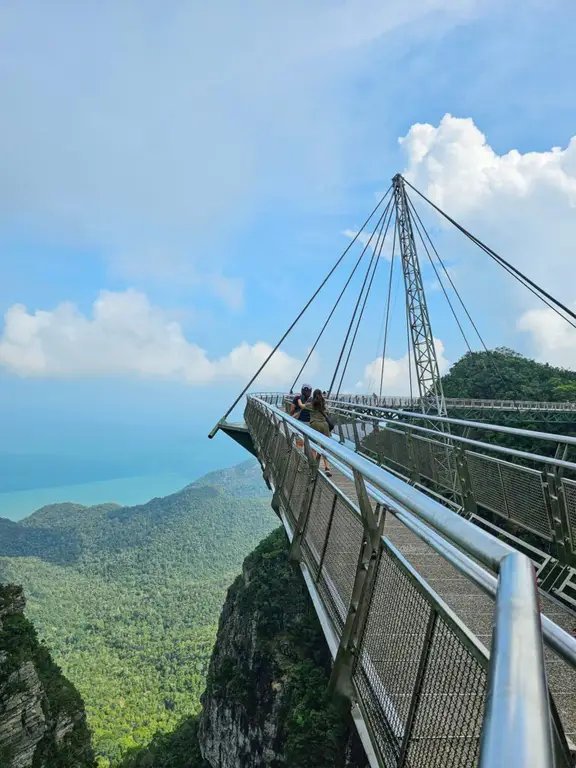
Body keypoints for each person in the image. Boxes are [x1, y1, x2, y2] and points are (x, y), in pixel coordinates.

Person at [304, 389, 333, 476]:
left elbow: (302, 406)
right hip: (324, 426)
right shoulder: (324, 405)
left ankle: (314, 465)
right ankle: (327, 468)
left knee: (313, 446)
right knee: (323, 447)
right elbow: (327, 412)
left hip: (314, 425)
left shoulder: (311, 405)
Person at [291, 384, 312, 449]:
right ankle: (309, 457)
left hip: (298, 422)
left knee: (299, 443)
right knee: (310, 444)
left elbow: (292, 410)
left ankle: (298, 457)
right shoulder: (312, 400)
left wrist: (291, 417)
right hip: (309, 424)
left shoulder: (297, 398)